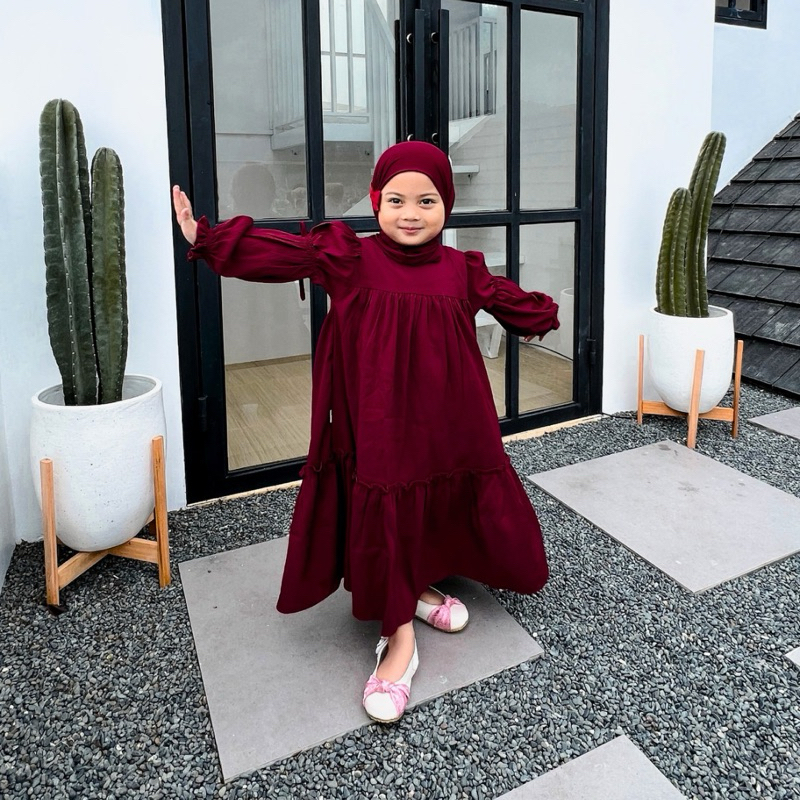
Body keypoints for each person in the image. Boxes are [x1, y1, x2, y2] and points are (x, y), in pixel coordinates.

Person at [172, 141, 559, 724]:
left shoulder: (462, 270)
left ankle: (418, 586)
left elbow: (515, 303)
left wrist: (541, 314)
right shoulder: (350, 257)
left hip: (452, 420)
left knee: (435, 494)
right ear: (376, 202)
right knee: (389, 496)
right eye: (397, 200)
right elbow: (284, 254)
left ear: (446, 205)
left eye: (427, 200)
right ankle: (398, 636)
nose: (411, 213)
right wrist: (208, 238)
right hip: (380, 420)